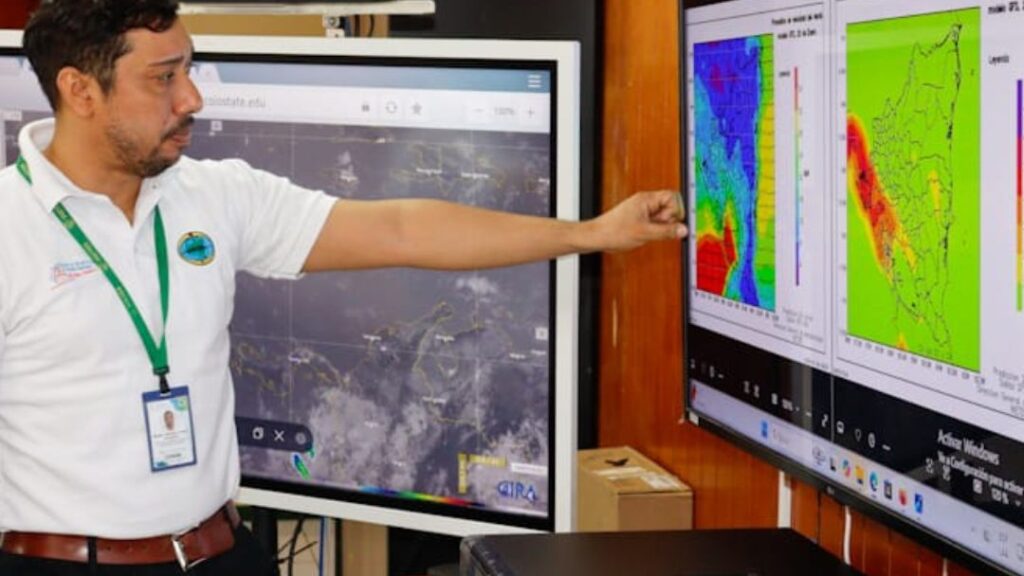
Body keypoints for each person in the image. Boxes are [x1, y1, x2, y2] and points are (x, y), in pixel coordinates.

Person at [0, 0, 687, 574]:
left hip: (221, 553)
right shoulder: (11, 227)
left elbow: (401, 230)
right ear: (80, 91)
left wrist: (593, 232)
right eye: (164, 78)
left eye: (190, 68)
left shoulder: (213, 195)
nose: (192, 98)